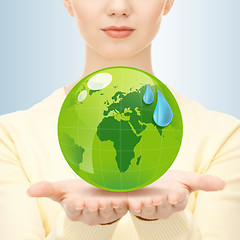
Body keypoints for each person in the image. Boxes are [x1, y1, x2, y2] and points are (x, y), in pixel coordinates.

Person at [0, 0, 239, 239]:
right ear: (67, 2)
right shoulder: (10, 139)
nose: (118, 7)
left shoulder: (224, 137)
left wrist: (161, 221)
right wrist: (85, 225)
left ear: (168, 2)